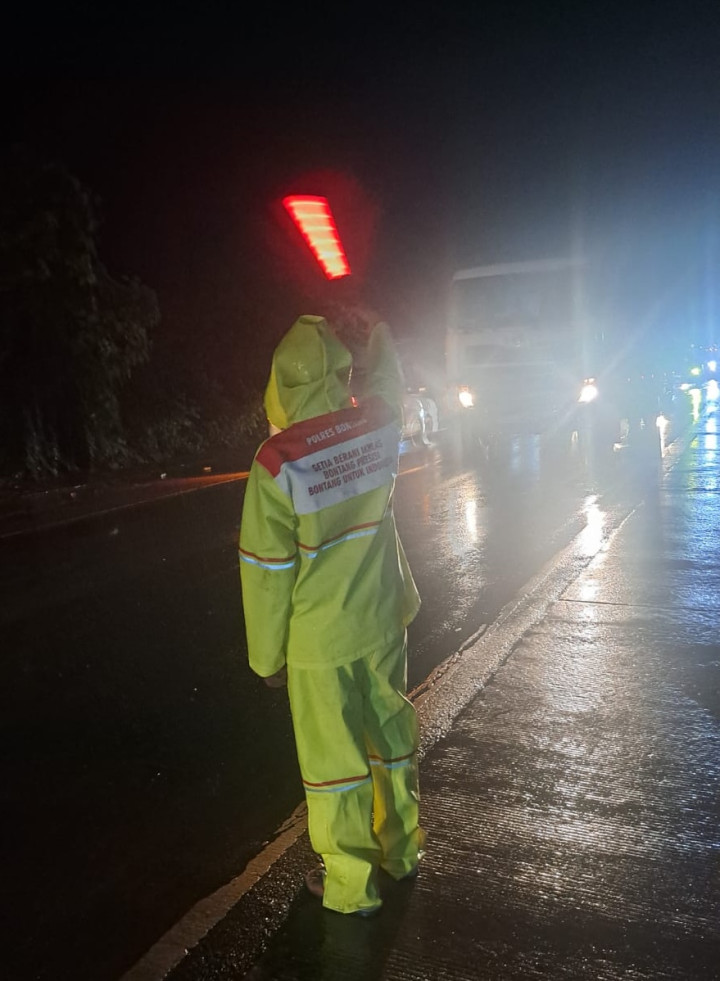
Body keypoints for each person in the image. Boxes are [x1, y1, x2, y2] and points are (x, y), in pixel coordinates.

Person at [239, 311, 423, 917]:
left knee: (334, 767)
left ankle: (349, 887)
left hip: (320, 643)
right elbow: (392, 385)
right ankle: (400, 854)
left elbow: (267, 572)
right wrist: (381, 334)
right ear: (342, 372)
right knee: (391, 738)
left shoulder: (275, 462)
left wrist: (267, 659)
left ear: (280, 385)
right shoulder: (377, 423)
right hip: (382, 619)